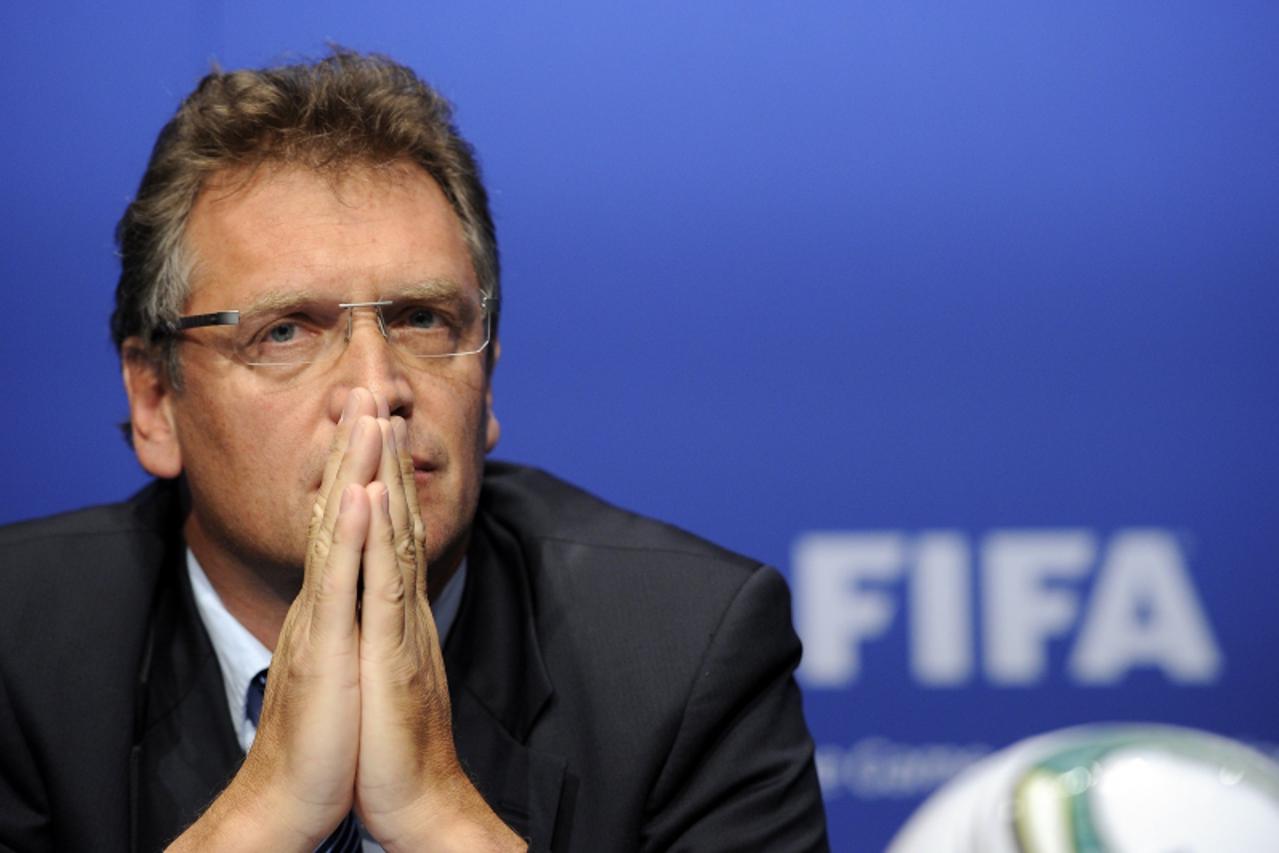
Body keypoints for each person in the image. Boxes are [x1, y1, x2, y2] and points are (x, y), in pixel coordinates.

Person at [0, 50, 827, 852]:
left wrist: (435, 811)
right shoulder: (20, 647)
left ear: (488, 380)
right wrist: (268, 810)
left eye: (423, 320)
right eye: (285, 331)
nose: (377, 386)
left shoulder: (682, 651)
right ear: (155, 401)